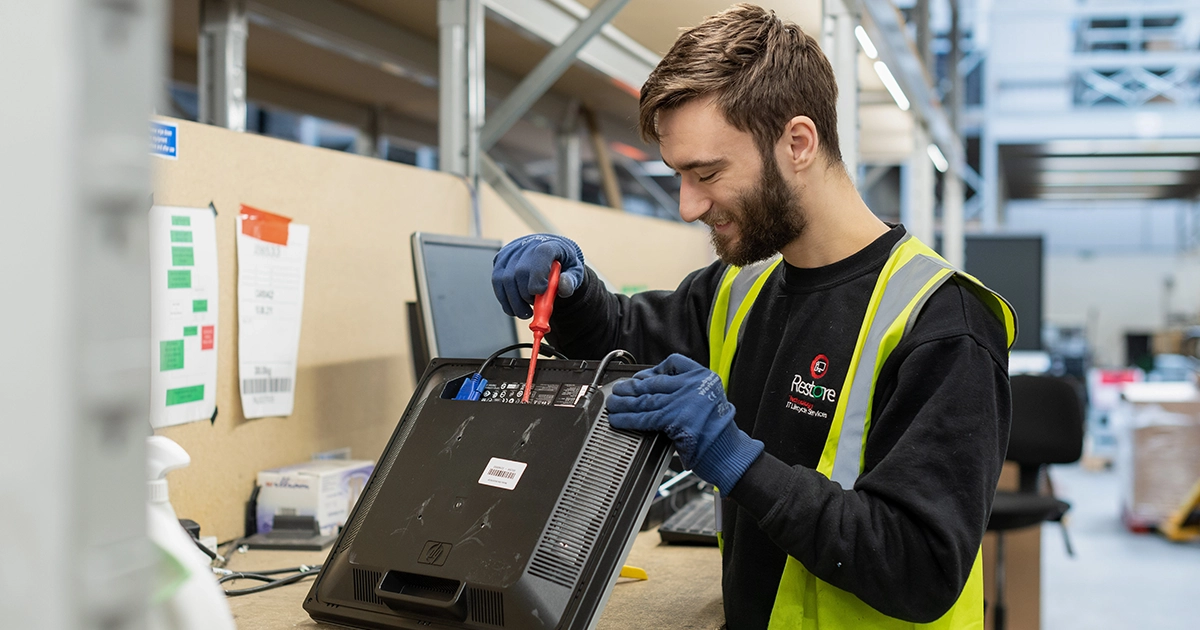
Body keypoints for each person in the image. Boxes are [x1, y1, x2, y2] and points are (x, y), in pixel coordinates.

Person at [491, 4, 1016, 629]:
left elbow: (920, 568)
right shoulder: (743, 285)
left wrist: (737, 460)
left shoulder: (942, 323)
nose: (688, 206)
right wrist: (572, 294)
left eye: (707, 173)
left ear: (798, 142)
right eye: (679, 175)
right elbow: (628, 344)